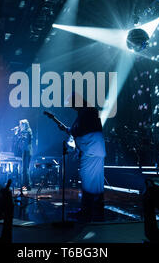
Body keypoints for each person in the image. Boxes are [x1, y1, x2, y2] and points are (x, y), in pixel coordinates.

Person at [63, 92, 106, 222]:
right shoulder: (90, 110)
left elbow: (80, 131)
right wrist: (69, 130)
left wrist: (70, 130)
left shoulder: (85, 112)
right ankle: (97, 211)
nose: (72, 108)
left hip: (90, 150)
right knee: (97, 182)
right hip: (97, 149)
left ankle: (86, 212)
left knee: (87, 181)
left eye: (72, 105)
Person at [13, 119, 33, 191]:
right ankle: (26, 184)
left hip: (26, 151)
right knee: (23, 169)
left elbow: (26, 140)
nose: (20, 126)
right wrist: (16, 133)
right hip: (23, 151)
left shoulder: (28, 131)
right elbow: (17, 141)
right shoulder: (23, 132)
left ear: (24, 125)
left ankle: (27, 185)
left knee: (25, 169)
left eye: (21, 125)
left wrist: (19, 133)